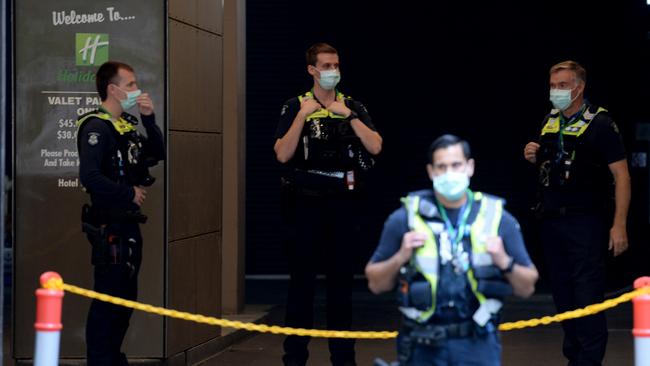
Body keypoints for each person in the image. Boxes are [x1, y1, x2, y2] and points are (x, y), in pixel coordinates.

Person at [366, 135, 538, 366]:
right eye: (442, 167)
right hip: (422, 344)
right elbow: (376, 284)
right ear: (431, 171)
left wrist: (503, 260)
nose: (449, 173)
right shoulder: (406, 218)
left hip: (477, 344)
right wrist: (400, 257)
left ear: (470, 167)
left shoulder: (497, 218)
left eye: (456, 165)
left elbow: (527, 287)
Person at [274, 42, 382, 366]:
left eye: (336, 65)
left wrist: (348, 116)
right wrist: (303, 117)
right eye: (325, 66)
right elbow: (282, 154)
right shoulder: (295, 105)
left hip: (343, 207)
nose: (332, 71)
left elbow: (376, 146)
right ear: (312, 70)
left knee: (341, 288)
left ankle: (343, 359)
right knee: (301, 288)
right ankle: (294, 358)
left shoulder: (353, 105)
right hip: (305, 206)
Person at [523, 60, 630, 366]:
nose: (556, 92)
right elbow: (551, 163)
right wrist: (533, 152)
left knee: (587, 298)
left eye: (563, 86)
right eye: (553, 86)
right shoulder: (550, 121)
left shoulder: (600, 123)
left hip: (586, 222)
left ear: (579, 87)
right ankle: (574, 359)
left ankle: (589, 361)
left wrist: (618, 224)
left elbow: (622, 175)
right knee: (564, 297)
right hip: (552, 221)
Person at [77, 60, 165, 366]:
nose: (136, 90)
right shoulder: (96, 127)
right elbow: (90, 177)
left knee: (125, 301)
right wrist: (128, 192)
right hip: (109, 224)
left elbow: (155, 155)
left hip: (129, 225)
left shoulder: (126, 125)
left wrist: (149, 120)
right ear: (112, 89)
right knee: (108, 302)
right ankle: (101, 360)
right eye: (130, 85)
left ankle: (113, 358)